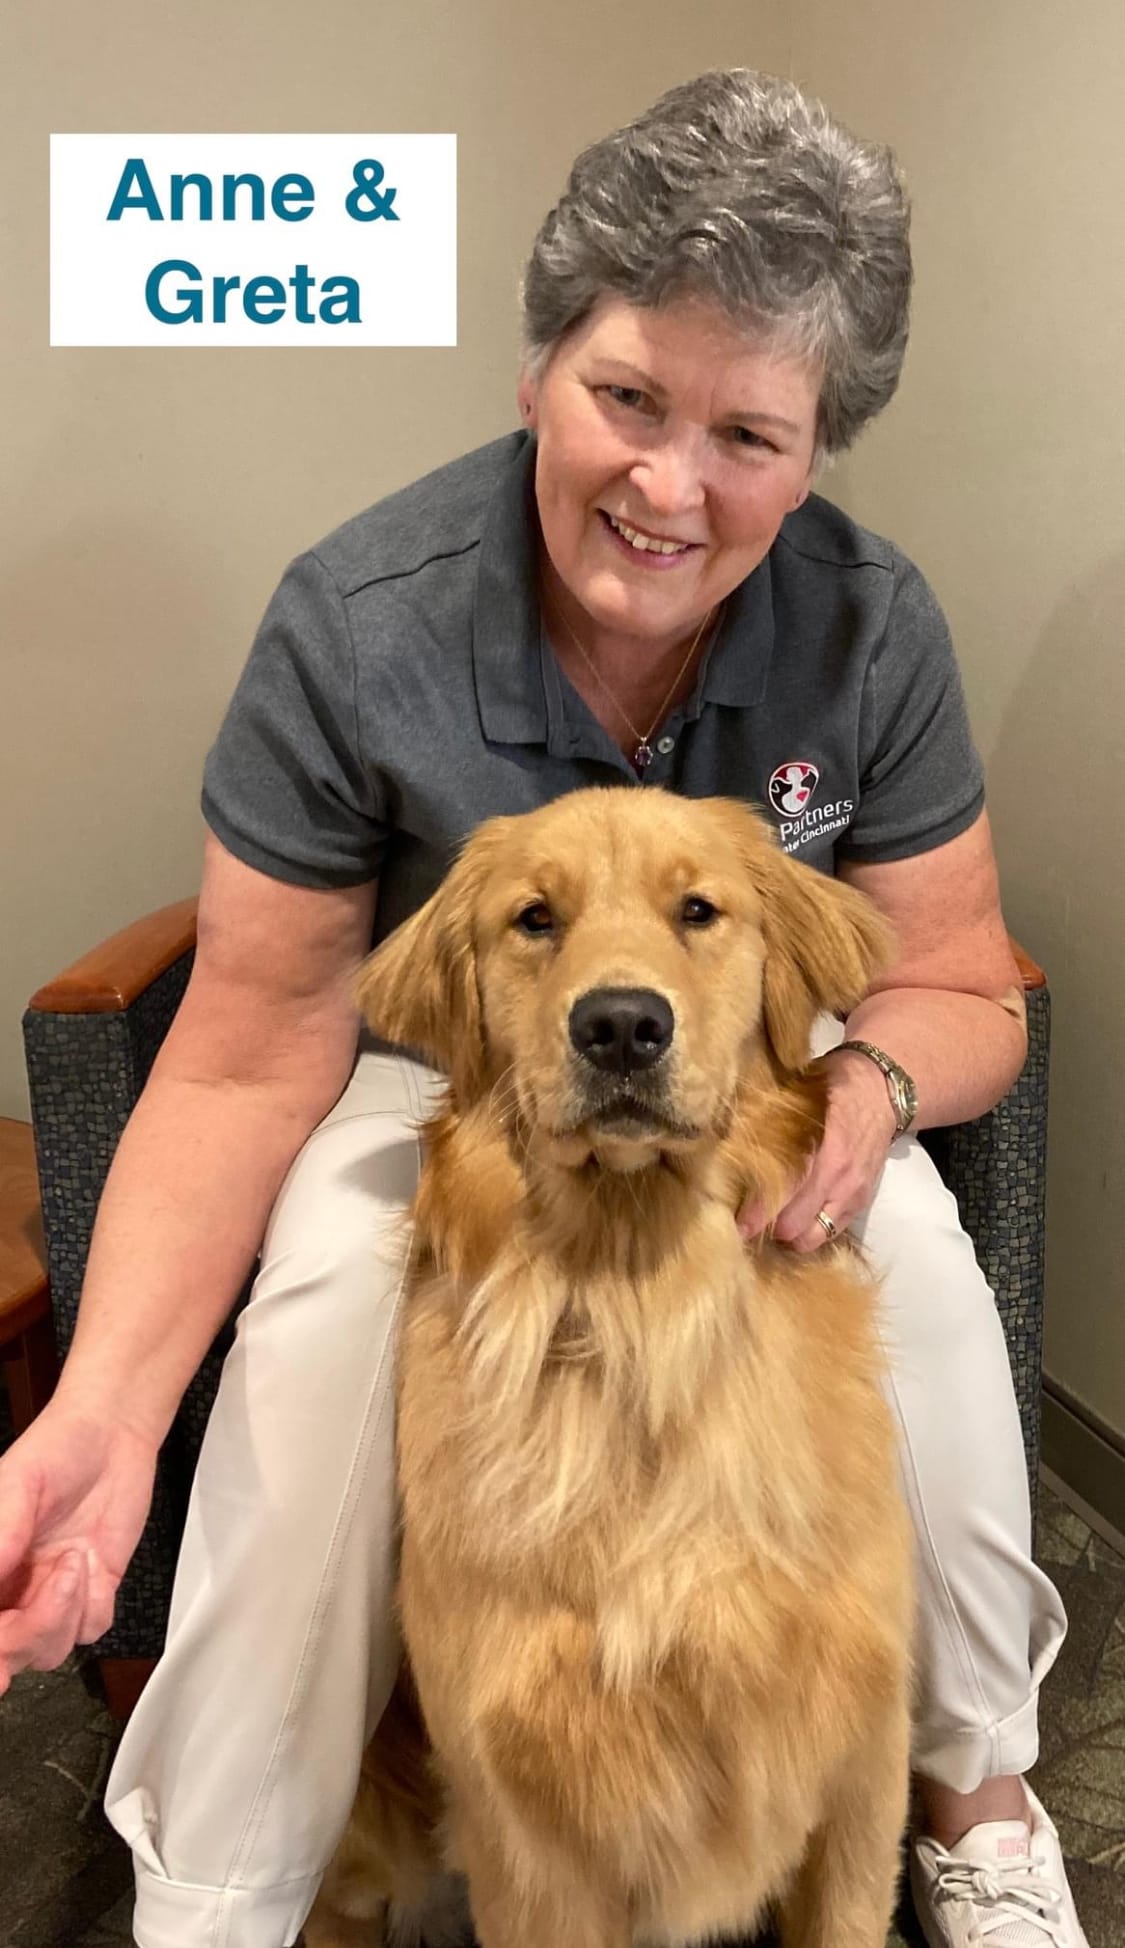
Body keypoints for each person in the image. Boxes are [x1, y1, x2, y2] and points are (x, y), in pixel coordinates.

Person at [0, 68, 1086, 1948]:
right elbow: (255, 1047)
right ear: (535, 371)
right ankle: (218, 1890)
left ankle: (971, 1787)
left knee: (904, 1253)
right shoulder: (358, 621)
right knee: (330, 1303)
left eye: (749, 434)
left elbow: (960, 977)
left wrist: (878, 1086)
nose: (671, 487)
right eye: (626, 399)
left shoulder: (872, 621)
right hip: (449, 1075)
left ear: (816, 448)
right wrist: (101, 1413)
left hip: (763, 1079)